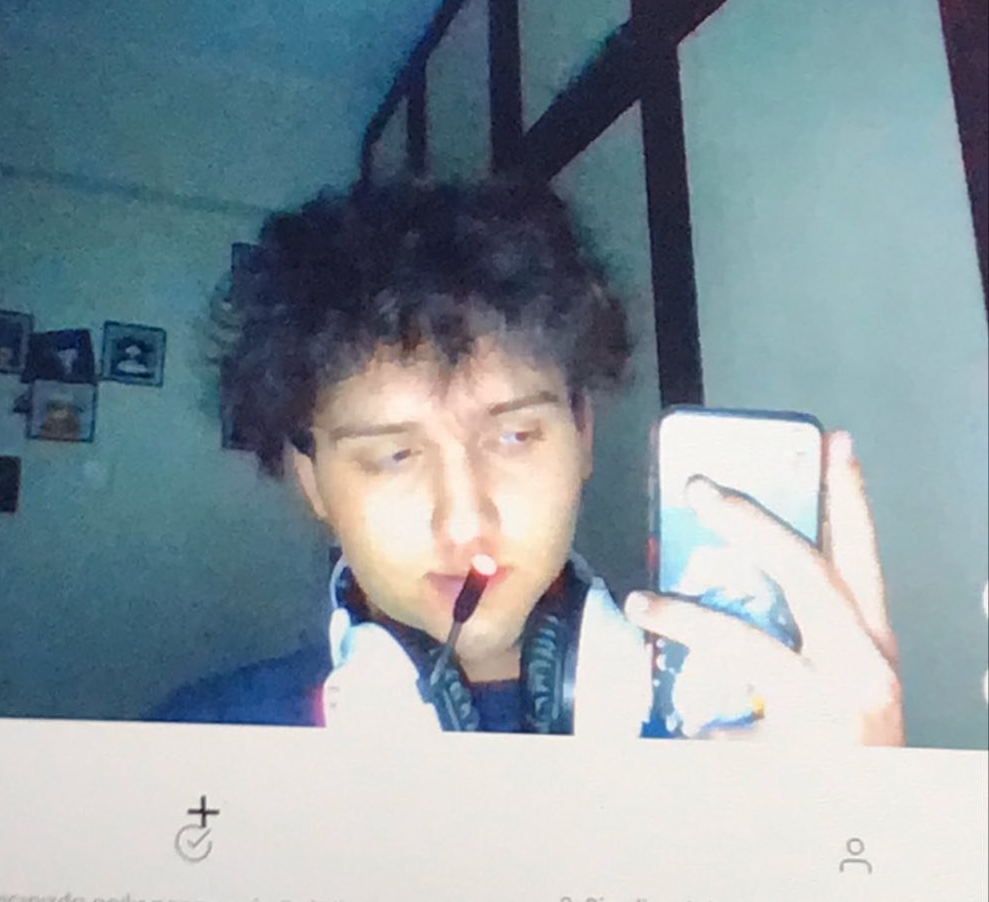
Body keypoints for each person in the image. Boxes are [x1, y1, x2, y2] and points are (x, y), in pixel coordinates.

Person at [152, 176, 904, 745]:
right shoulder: (197, 747)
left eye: (514, 437)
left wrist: (860, 826)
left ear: (583, 435)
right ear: (313, 482)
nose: (464, 519)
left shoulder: (754, 731)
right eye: (393, 455)